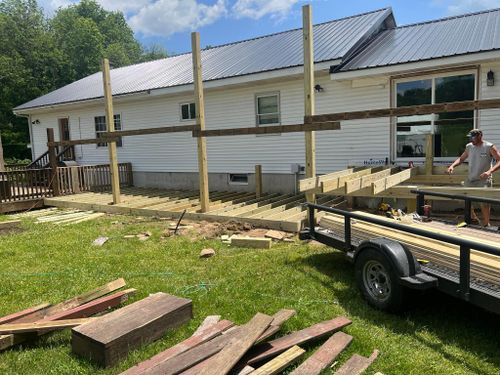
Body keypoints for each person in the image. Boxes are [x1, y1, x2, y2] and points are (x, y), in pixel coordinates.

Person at [447, 129, 500, 226]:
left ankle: (486, 224)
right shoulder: (469, 147)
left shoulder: (489, 147)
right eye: (470, 137)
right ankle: (474, 218)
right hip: (471, 178)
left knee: (484, 202)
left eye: (473, 137)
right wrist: (452, 166)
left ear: (480, 135)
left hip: (483, 180)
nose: (471, 139)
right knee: (465, 198)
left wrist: (489, 171)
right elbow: (461, 158)